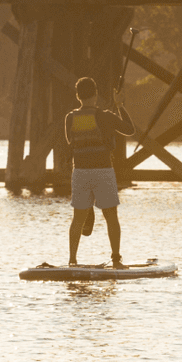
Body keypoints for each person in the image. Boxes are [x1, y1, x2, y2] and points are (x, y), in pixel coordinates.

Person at [64, 76, 136, 266]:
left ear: (78, 96)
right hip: (103, 171)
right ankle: (116, 259)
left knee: (77, 220)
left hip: (80, 172)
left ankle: (72, 260)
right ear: (95, 94)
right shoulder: (105, 116)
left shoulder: (70, 118)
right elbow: (130, 130)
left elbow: (71, 142)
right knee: (111, 216)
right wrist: (119, 106)